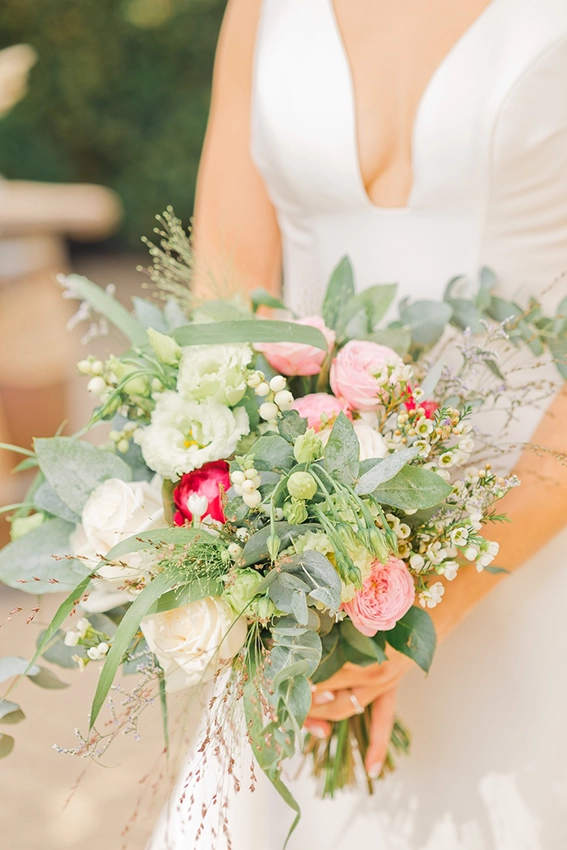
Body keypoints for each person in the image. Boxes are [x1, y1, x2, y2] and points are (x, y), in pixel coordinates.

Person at [150, 1, 567, 847]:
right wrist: (251, 541)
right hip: (311, 567)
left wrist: (418, 616)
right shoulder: (260, 9)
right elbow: (222, 306)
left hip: (535, 547)